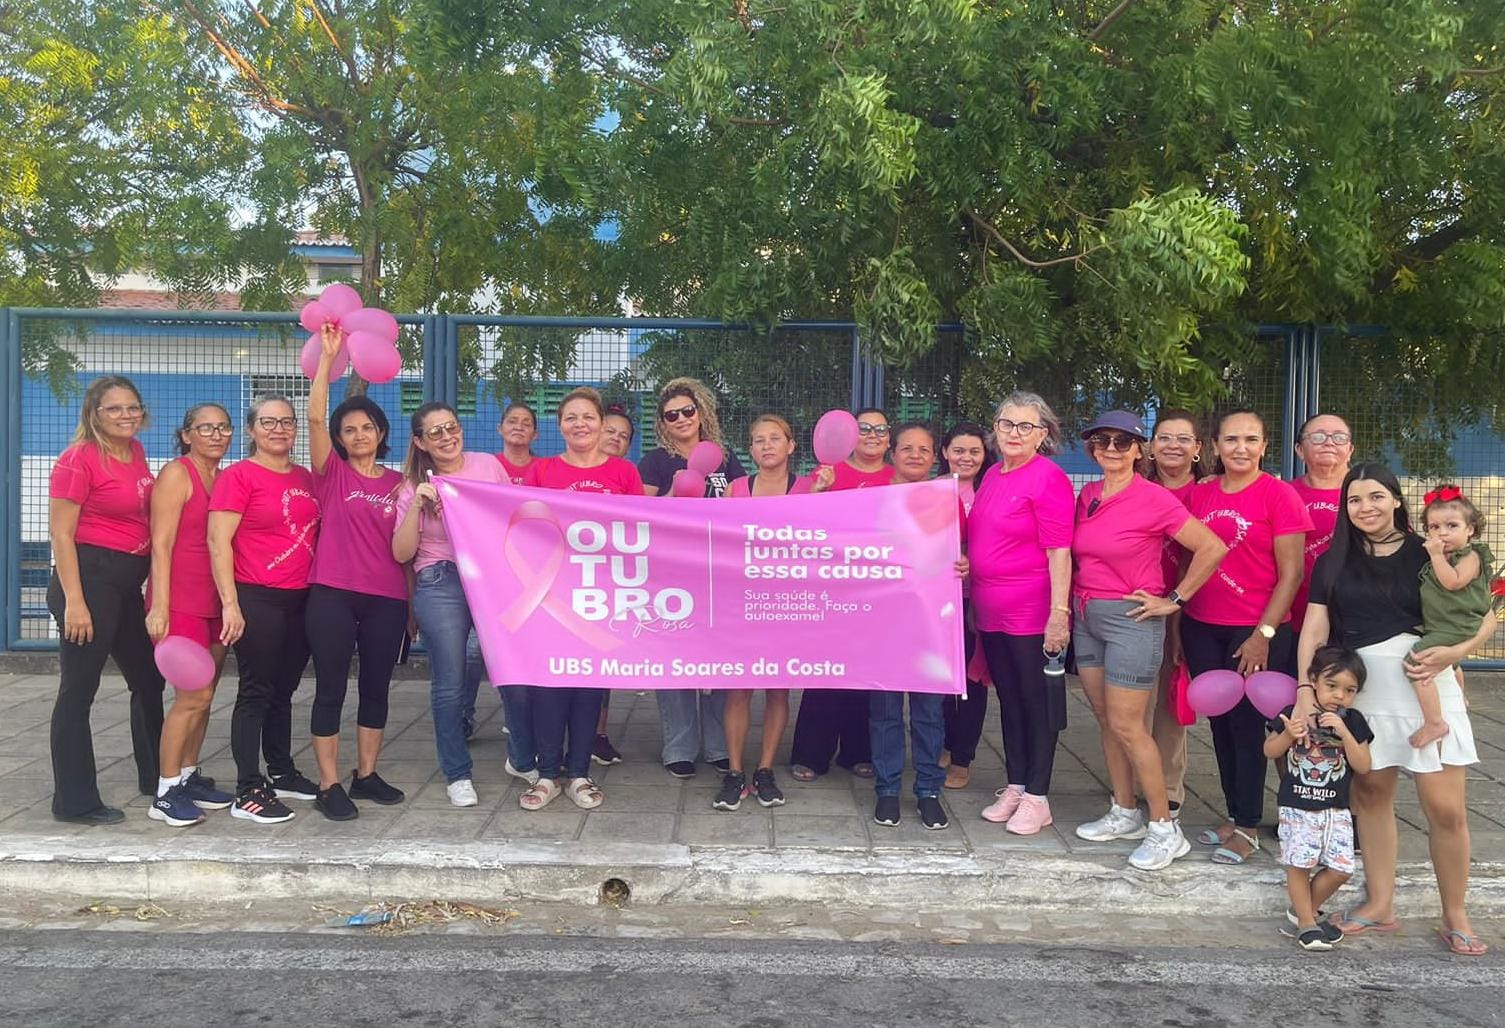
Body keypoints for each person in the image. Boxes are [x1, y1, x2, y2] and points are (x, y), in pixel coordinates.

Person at [1294, 464, 1496, 956]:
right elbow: (1315, 631)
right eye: (1355, 499)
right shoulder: (1332, 561)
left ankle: (1455, 912)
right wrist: (1305, 688)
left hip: (1426, 680)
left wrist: (1456, 655)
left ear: (1397, 501)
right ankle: (1379, 904)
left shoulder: (1427, 550)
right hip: (1364, 693)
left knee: (1446, 810)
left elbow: (1484, 614)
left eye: (1377, 496)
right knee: (1371, 797)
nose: (1366, 507)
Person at [1070, 411, 1227, 870]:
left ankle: (1164, 827)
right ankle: (1124, 811)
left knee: (1129, 726)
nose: (1112, 449)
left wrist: (1173, 599)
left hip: (1130, 619)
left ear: (1140, 450)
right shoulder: (1090, 494)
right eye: (1102, 441)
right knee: (1105, 720)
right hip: (1086, 614)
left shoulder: (1154, 498)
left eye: (1123, 442)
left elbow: (1212, 546)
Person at [1181, 409, 1312, 863]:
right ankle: (1235, 814)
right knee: (1219, 724)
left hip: (1256, 629)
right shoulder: (1200, 495)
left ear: (1264, 445)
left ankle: (1250, 826)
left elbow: (1291, 574)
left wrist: (1264, 634)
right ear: (1214, 446)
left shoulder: (1279, 495)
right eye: (1231, 439)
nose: (1241, 448)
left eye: (1250, 439)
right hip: (1203, 626)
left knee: (1247, 726)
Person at [519, 387, 644, 811]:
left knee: (590, 685)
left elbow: (640, 531)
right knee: (550, 683)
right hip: (553, 595)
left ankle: (579, 773)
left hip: (601, 595)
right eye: (571, 418)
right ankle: (547, 774)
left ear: (600, 423)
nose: (580, 424)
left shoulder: (624, 473)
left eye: (587, 417)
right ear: (560, 426)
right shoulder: (542, 470)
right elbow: (523, 527)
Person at [46, 376, 164, 825]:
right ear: (94, 413)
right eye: (114, 409)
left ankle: (157, 778)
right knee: (78, 691)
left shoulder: (134, 452)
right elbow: (61, 533)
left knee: (149, 678)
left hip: (124, 586)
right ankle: (74, 801)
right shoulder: (78, 459)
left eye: (132, 407)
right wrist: (75, 601)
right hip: (89, 582)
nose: (126, 415)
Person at [303, 326, 410, 820]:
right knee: (330, 687)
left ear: (381, 433)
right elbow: (314, 417)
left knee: (376, 688)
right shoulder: (333, 473)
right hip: (332, 595)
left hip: (386, 598)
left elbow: (409, 547)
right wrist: (327, 360)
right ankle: (329, 783)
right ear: (341, 439)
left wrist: (411, 607)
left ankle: (365, 774)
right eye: (349, 429)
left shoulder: (400, 482)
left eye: (367, 427)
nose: (358, 435)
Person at [208, 394, 322, 824]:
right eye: (268, 422)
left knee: (284, 690)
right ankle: (247, 788)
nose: (279, 429)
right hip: (256, 595)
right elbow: (218, 542)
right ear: (252, 429)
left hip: (301, 598)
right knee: (255, 691)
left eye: (287, 422)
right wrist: (230, 604)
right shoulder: (238, 477)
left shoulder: (307, 478)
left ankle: (281, 770)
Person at [392, 402, 511, 808]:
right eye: (436, 432)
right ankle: (457, 773)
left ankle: (525, 755)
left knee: (499, 662)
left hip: (488, 577)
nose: (447, 437)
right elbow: (401, 552)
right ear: (420, 441)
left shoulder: (487, 466)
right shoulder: (413, 484)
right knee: (447, 679)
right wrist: (417, 505)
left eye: (452, 427)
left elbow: (510, 518)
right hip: (439, 579)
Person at [972, 392, 1073, 835]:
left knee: (1037, 704)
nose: (1015, 433)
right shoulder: (992, 474)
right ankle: (1016, 783)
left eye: (1025, 427)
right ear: (995, 428)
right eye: (1007, 424)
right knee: (1009, 701)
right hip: (990, 609)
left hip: (1031, 609)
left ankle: (1038, 794)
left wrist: (1059, 612)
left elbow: (1059, 553)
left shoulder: (1048, 478)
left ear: (1043, 435)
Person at [638, 378, 741, 778]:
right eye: (671, 415)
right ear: (662, 423)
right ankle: (679, 745)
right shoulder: (655, 462)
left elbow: (741, 501)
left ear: (701, 413)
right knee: (675, 655)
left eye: (687, 411)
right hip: (671, 574)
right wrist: (675, 496)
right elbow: (639, 512)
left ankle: (717, 745)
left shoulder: (725, 457)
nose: (681, 419)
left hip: (718, 573)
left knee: (718, 658)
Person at [143, 403, 236, 827]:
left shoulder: (224, 477)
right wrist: (159, 606)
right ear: (186, 435)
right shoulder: (176, 475)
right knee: (191, 697)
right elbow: (160, 544)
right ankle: (164, 793)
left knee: (206, 696)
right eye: (205, 428)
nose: (216, 435)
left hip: (214, 602)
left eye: (223, 428)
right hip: (179, 601)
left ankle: (186, 775)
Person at [788, 407, 893, 782]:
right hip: (831, 590)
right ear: (850, 435)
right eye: (864, 428)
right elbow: (799, 527)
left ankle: (859, 752)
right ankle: (811, 754)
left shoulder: (900, 480)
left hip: (879, 593)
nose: (873, 434)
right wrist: (817, 493)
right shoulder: (828, 474)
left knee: (866, 673)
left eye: (881, 429)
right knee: (825, 672)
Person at [713, 414, 809, 811]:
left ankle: (765, 770)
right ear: (750, 450)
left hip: (786, 604)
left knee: (777, 689)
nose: (766, 445)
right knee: (738, 689)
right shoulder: (736, 489)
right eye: (758, 440)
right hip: (743, 603)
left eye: (774, 438)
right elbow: (717, 540)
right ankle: (735, 772)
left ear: (791, 445)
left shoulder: (807, 489)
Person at [868, 423, 957, 829]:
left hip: (929, 623)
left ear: (934, 455)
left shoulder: (946, 501)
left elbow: (962, 550)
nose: (916, 455)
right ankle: (887, 790)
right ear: (893, 454)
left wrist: (966, 563)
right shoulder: (872, 500)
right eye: (907, 448)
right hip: (884, 622)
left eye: (924, 449)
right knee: (885, 711)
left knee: (928, 713)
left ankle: (928, 791)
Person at [1263, 645, 1373, 951]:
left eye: (1349, 690)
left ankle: (1303, 912)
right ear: (1313, 681)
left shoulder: (1353, 721)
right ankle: (1308, 924)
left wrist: (1344, 732)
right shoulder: (1293, 713)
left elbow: (1363, 765)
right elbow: (1269, 751)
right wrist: (1288, 735)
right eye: (1332, 686)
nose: (1339, 695)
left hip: (1336, 809)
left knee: (1341, 868)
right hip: (1297, 806)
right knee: (1298, 864)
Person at [1143, 408, 1204, 814]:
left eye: (1183, 438)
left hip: (1193, 607)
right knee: (1132, 702)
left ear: (1198, 448)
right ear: (1150, 446)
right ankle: (1129, 784)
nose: (1173, 446)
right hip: (1138, 606)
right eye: (1164, 437)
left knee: (1170, 700)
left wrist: (1178, 611)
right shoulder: (1135, 489)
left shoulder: (1210, 494)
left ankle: (1168, 786)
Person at [1407, 486, 1494, 748]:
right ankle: (1460, 696)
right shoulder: (1441, 558)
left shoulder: (1470, 556)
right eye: (1434, 527)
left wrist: (1435, 555)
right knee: (1453, 665)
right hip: (1442, 625)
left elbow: (1452, 583)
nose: (1442, 532)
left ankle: (1434, 722)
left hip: (1459, 624)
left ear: (1470, 529)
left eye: (1452, 525)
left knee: (1414, 664)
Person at [937, 421, 993, 790]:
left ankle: (962, 758)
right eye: (959, 450)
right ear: (944, 453)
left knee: (973, 681)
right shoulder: (931, 491)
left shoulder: (992, 491)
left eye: (974, 451)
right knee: (939, 679)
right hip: (936, 603)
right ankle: (943, 742)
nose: (966, 457)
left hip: (979, 599)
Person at [588, 402, 638, 767]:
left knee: (600, 661)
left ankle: (598, 733)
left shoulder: (627, 473)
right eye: (612, 431)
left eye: (624, 437)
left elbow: (641, 520)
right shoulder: (553, 468)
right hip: (561, 578)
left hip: (609, 579)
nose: (616, 439)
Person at [1288, 415, 1354, 636]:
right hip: (1290, 615)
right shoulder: (1282, 494)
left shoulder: (1369, 493)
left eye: (1339, 437)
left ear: (1351, 449)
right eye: (1317, 437)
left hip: (1354, 615)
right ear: (1299, 449)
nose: (1329, 442)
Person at [496, 402, 539, 484]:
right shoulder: (490, 465)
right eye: (512, 422)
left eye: (526, 424)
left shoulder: (543, 469)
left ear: (535, 435)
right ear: (500, 429)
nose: (519, 428)